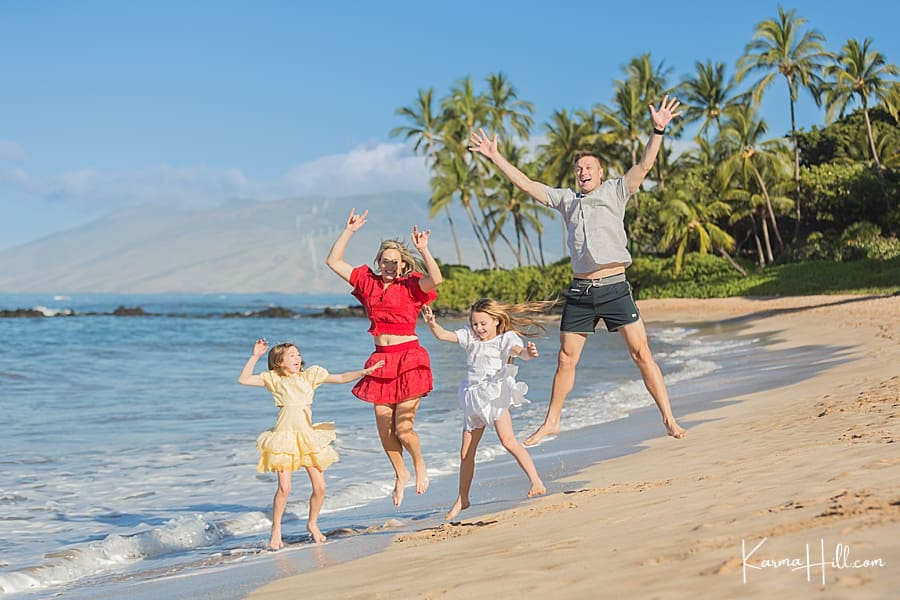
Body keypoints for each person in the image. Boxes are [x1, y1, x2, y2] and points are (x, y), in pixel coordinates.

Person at [468, 95, 688, 446]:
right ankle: (552, 422)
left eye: (589, 168)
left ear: (600, 173)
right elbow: (527, 185)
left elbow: (644, 166)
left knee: (642, 353)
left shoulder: (617, 191)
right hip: (581, 292)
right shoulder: (566, 200)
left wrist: (658, 129)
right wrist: (496, 156)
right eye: (579, 169)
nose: (584, 173)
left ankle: (669, 417)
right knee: (565, 358)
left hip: (616, 288)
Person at [325, 209, 443, 507]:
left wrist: (424, 250)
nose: (389, 265)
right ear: (378, 262)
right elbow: (333, 262)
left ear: (402, 264)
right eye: (384, 261)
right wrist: (349, 231)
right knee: (385, 430)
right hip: (380, 361)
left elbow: (437, 279)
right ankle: (400, 474)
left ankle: (419, 464)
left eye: (395, 261)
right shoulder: (368, 282)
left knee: (404, 429)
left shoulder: (412, 285)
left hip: (409, 360)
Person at [238, 338, 384, 548]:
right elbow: (244, 379)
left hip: (307, 437)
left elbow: (341, 377)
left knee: (321, 486)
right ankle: (276, 529)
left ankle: (312, 524)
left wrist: (364, 372)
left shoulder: (310, 376)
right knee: (285, 488)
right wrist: (255, 356)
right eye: (292, 356)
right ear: (279, 362)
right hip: (284, 438)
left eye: (298, 354)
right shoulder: (274, 379)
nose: (297, 358)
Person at [421, 299, 548, 521]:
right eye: (474, 323)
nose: (478, 328)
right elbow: (443, 335)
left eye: (483, 324)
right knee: (465, 453)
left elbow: (519, 352)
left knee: (508, 441)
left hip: (494, 396)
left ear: (497, 321)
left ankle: (536, 481)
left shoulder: (505, 339)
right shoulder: (470, 337)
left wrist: (529, 353)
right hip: (471, 397)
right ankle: (463, 498)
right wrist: (432, 323)